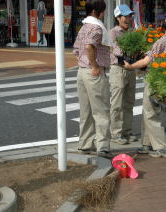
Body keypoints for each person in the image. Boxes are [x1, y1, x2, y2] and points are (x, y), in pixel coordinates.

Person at [124, 8, 166, 158]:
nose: (161, 22)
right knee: (148, 112)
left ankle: (162, 147)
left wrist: (130, 66)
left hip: (155, 80)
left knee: (151, 114)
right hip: (165, 80)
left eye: (164, 20)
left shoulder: (163, 41)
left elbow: (147, 60)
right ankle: (147, 144)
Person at [73, 0, 112, 158]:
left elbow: (77, 49)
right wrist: (95, 65)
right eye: (103, 11)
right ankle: (102, 147)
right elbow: (90, 46)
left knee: (86, 111)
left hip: (82, 71)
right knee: (101, 111)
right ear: (97, 11)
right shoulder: (96, 27)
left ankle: (84, 144)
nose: (104, 14)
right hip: (93, 72)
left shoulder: (84, 27)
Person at [109, 4, 138, 145]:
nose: (128, 19)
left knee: (129, 102)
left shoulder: (132, 32)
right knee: (117, 104)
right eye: (125, 16)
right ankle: (115, 133)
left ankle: (127, 131)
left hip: (131, 69)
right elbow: (117, 50)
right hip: (118, 69)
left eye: (129, 15)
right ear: (118, 18)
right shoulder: (113, 33)